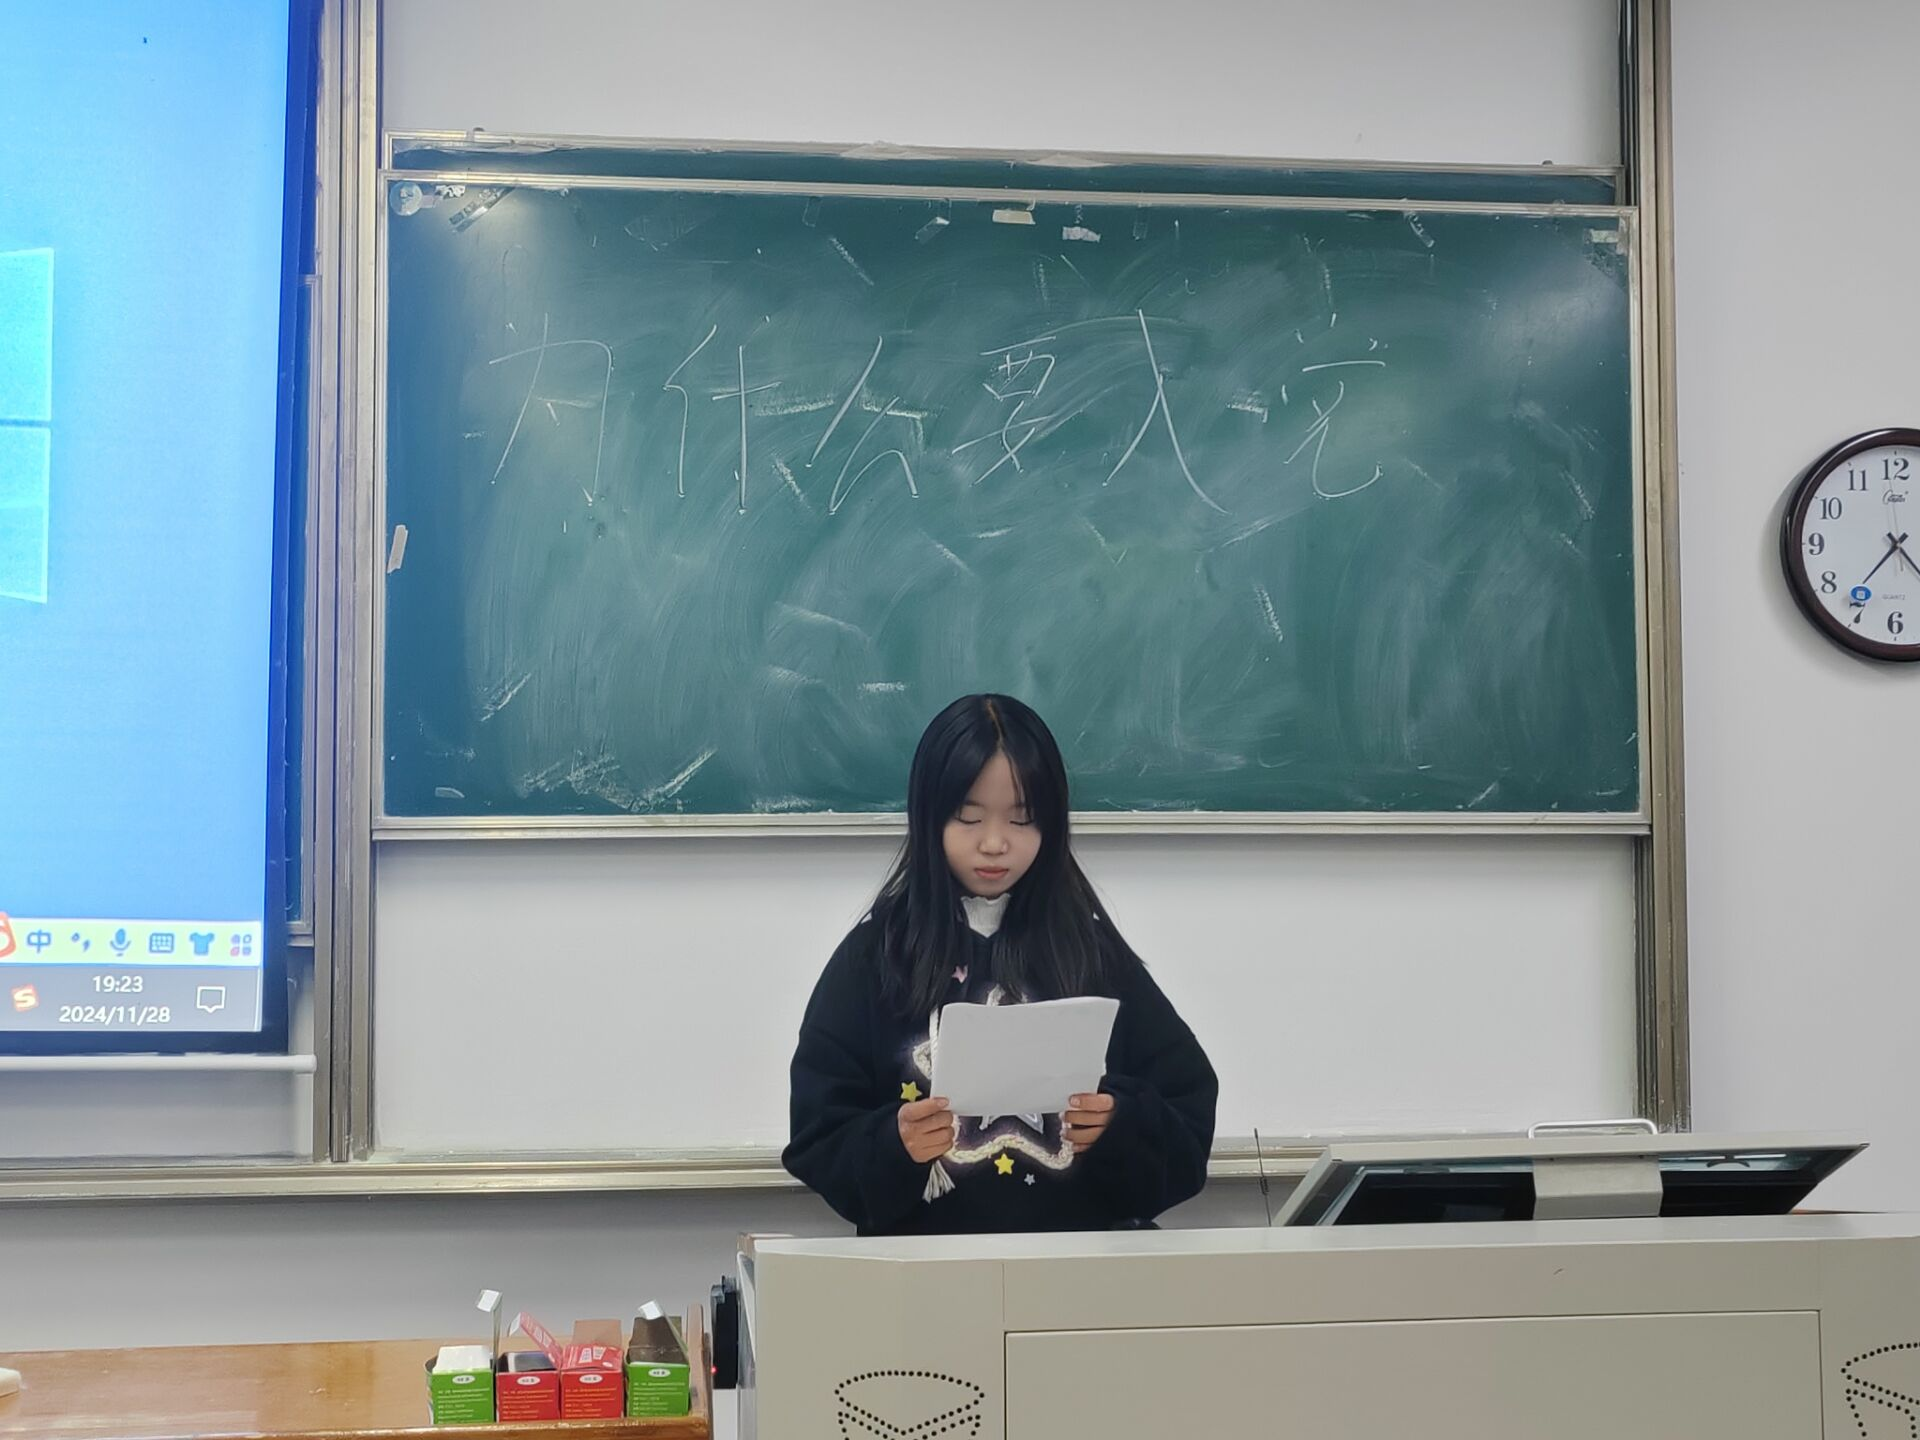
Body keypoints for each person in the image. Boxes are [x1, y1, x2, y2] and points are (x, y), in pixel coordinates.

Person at [783, 693, 1218, 1234]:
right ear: (928, 817)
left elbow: (1187, 1115)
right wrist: (893, 1144)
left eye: (1022, 819)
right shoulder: (876, 957)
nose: (994, 843)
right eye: (968, 818)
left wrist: (1121, 1124)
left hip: (1079, 1268)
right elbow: (817, 1136)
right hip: (922, 1270)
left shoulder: (1091, 952)